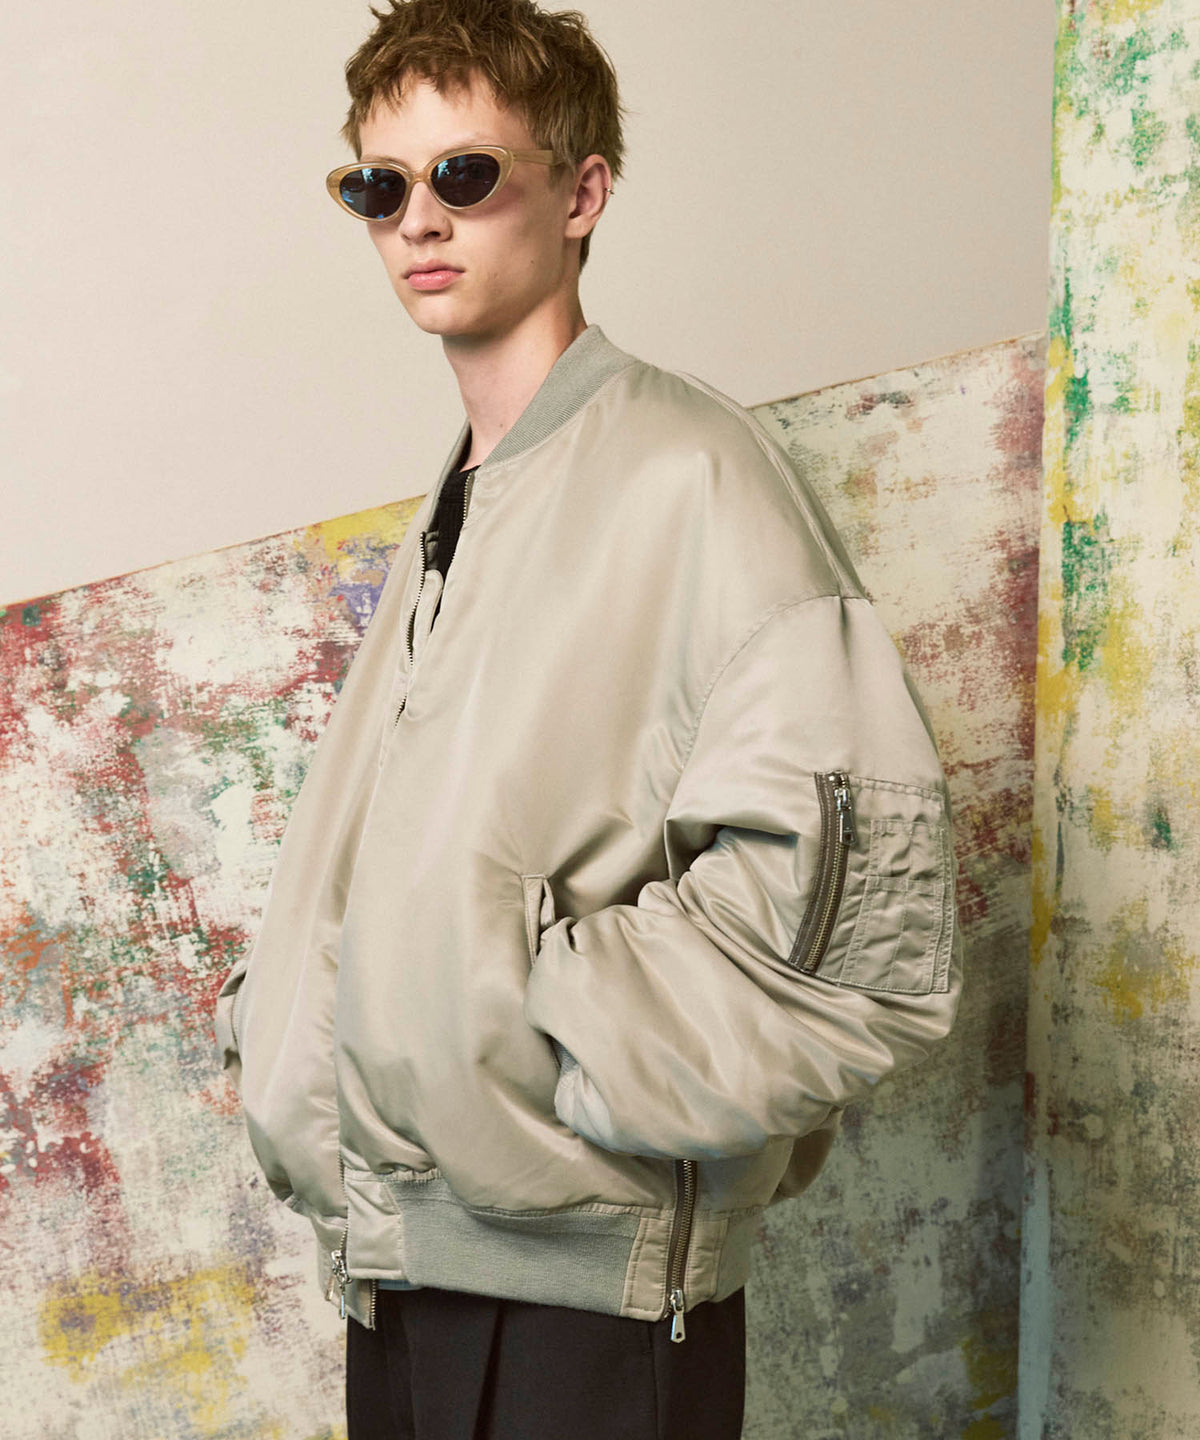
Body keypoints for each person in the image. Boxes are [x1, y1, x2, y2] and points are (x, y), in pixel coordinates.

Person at [214, 1, 964, 1435]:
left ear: (582, 192)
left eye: (466, 173)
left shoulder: (692, 470)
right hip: (399, 1265)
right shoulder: (465, 495)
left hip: (578, 1297)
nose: (418, 220)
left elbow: (852, 918)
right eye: (379, 185)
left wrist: (535, 1028)